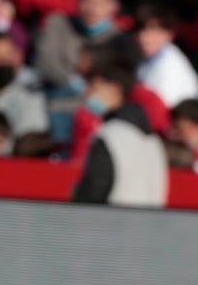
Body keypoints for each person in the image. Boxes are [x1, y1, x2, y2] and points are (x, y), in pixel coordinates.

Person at [71, 51, 169, 206]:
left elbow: (93, 193)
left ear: (115, 89)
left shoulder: (110, 136)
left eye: (94, 87)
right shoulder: (153, 140)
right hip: (148, 226)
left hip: (112, 226)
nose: (87, 93)